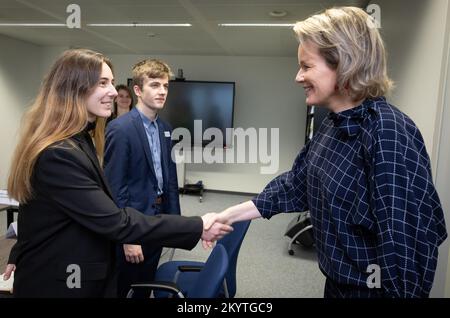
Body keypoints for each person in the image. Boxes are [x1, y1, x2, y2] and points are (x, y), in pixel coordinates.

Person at [204, 7, 447, 298]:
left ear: (345, 63)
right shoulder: (332, 124)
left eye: (306, 66)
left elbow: (408, 250)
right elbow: (295, 185)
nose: (298, 77)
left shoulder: (387, 131)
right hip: (336, 284)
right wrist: (231, 214)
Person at [1, 48, 232, 298]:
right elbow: (115, 217)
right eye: (103, 83)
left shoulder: (79, 139)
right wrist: (197, 225)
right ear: (74, 87)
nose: (113, 92)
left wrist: (20, 248)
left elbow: (33, 208)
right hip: (63, 280)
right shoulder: (60, 152)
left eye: (111, 82)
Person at [103, 59, 181, 297]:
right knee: (127, 286)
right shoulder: (120, 128)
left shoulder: (165, 128)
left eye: (165, 86)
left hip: (157, 218)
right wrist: (128, 237)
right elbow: (115, 187)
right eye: (155, 85)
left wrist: (174, 223)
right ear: (137, 90)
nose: (162, 91)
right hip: (133, 222)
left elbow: (169, 178)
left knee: (147, 281)